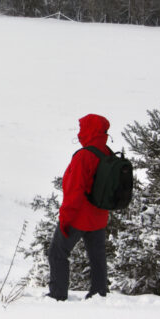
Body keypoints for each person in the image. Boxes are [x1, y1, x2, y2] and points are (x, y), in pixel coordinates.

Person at [48, 113, 112, 301]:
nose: (80, 132)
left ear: (90, 131)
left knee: (57, 253)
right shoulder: (107, 153)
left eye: (82, 128)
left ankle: (58, 294)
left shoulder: (84, 156)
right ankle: (99, 293)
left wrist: (65, 218)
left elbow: (74, 190)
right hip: (99, 217)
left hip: (78, 217)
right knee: (97, 257)